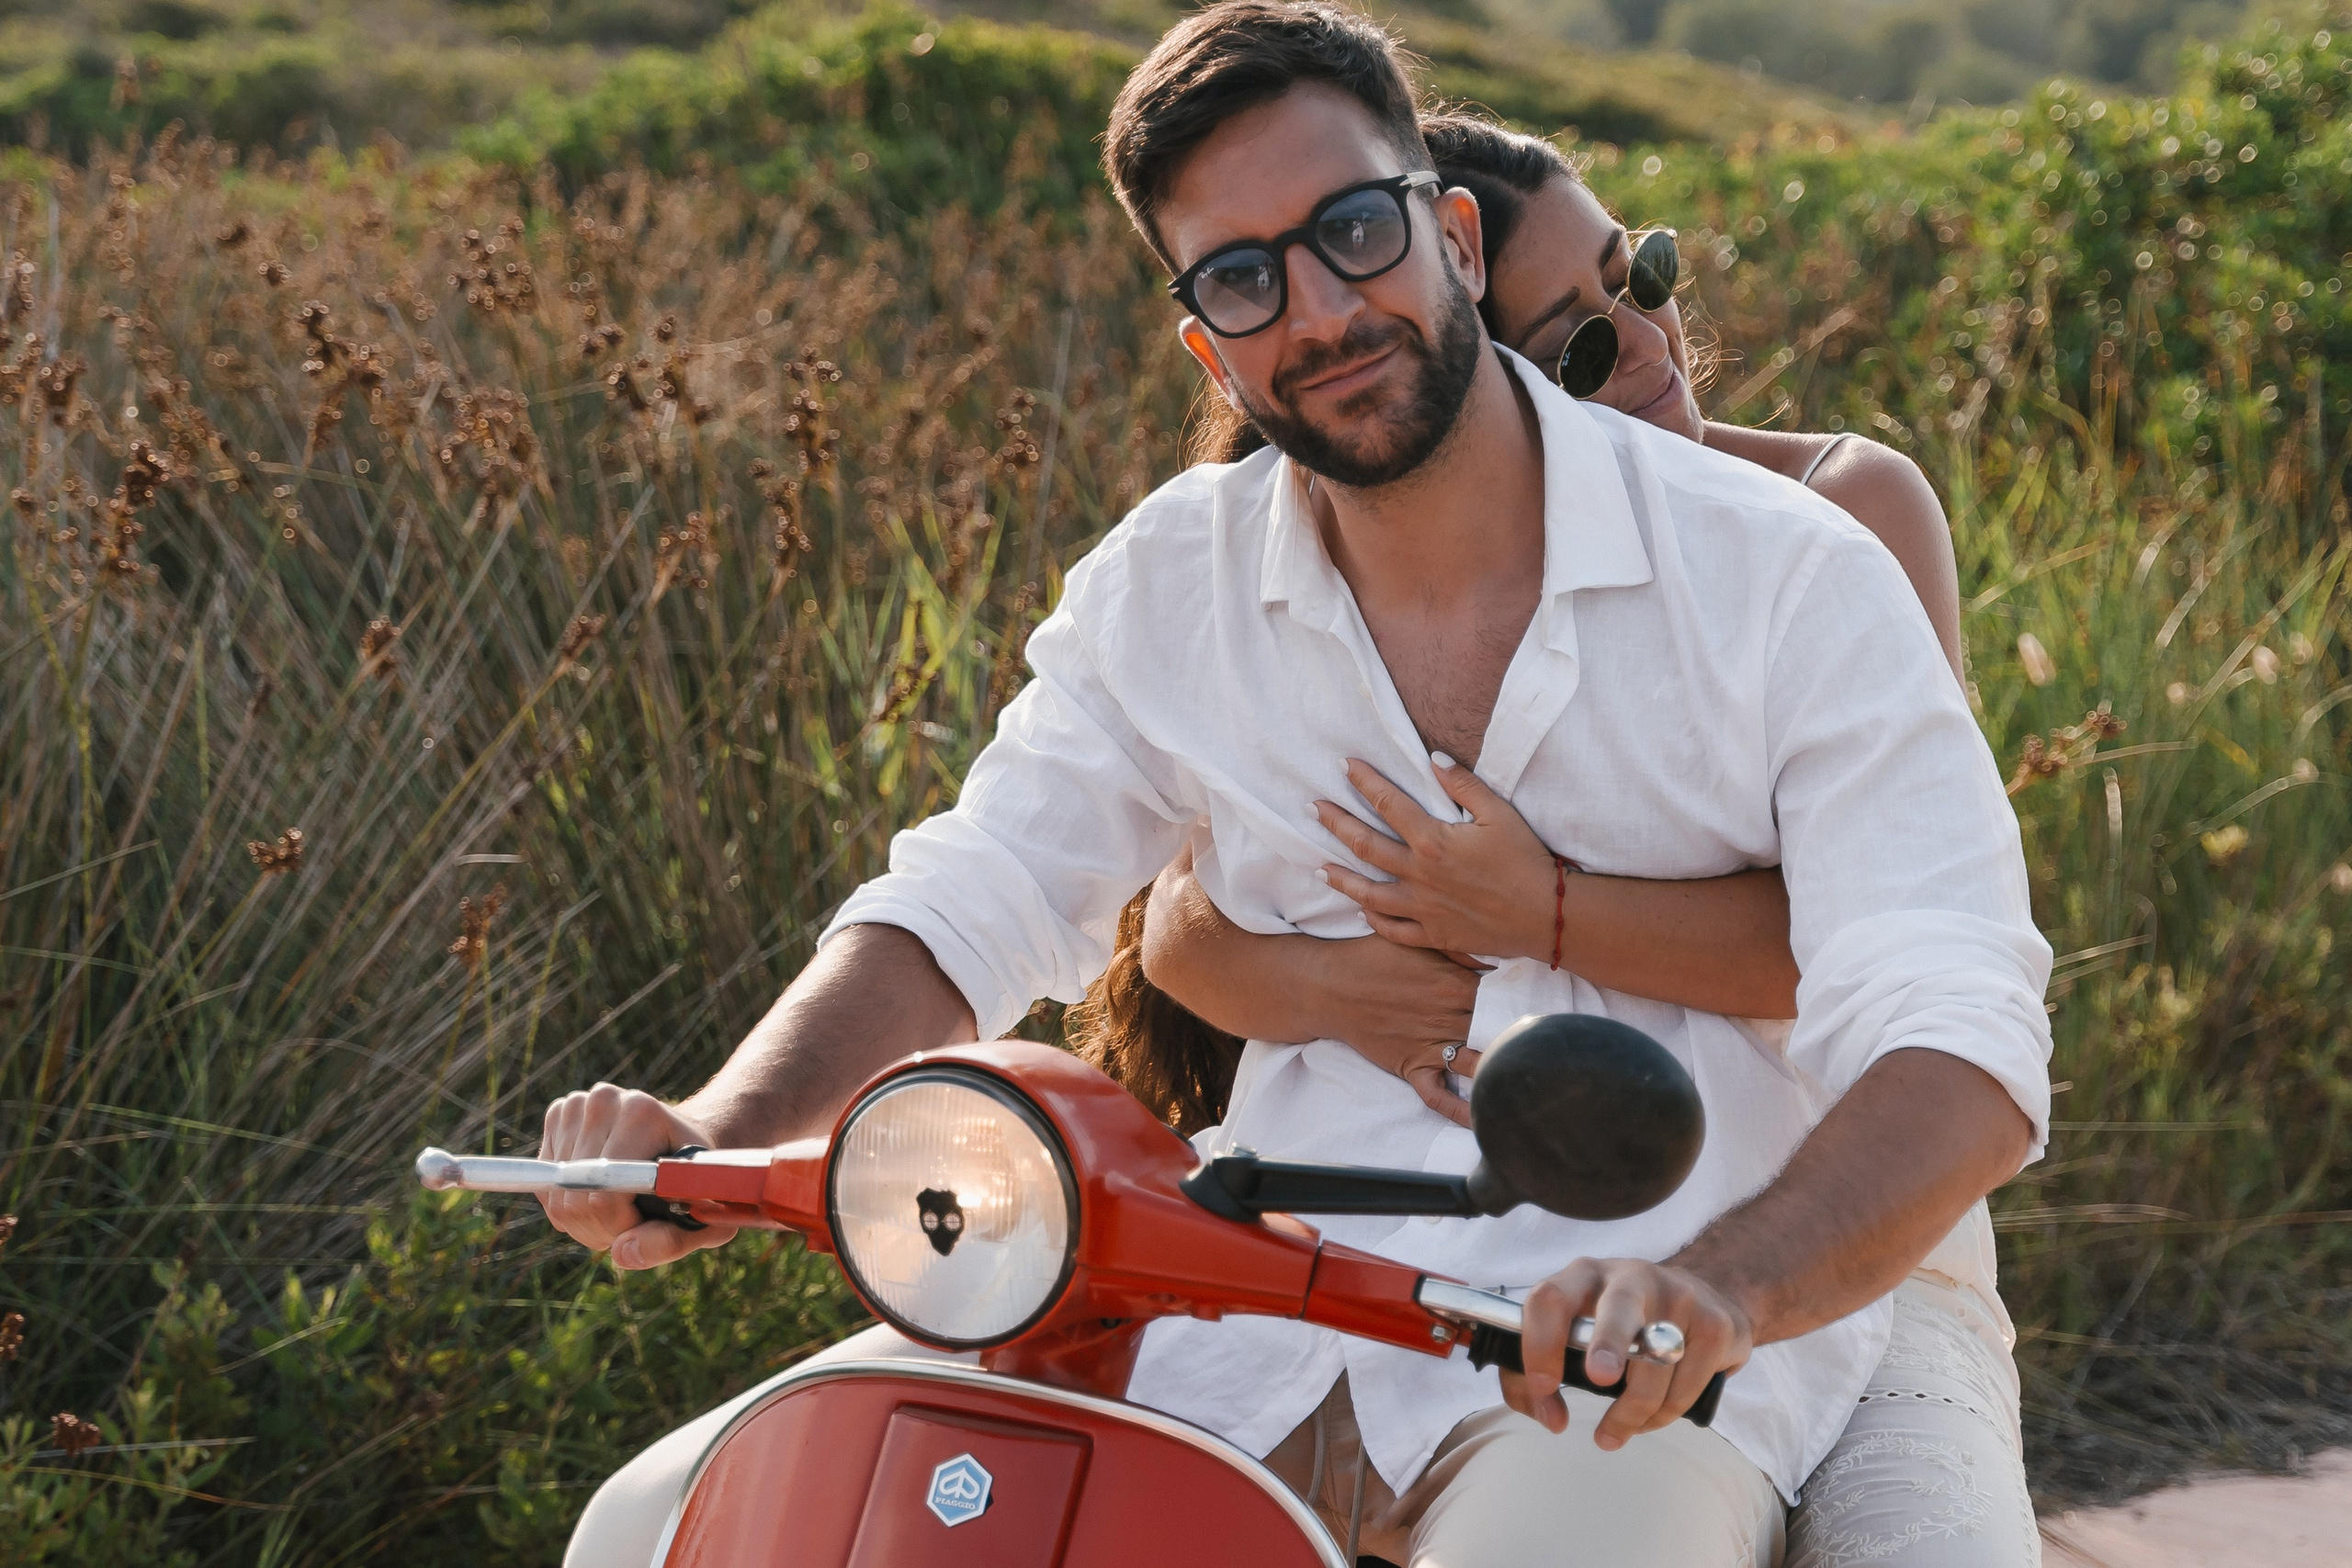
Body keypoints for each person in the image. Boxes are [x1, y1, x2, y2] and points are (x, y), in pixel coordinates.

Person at [538, 5, 2054, 1564]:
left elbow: (1960, 1023)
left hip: (1615, 1346)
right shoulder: (1165, 585)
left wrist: (1725, 1287)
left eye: (1352, 230)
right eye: (1246, 277)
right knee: (662, 1522)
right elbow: (973, 894)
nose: (1321, 309)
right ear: (1207, 338)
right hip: (1224, 1300)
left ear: (1453, 236)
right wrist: (718, 1132)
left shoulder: (1792, 574)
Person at [1073, 111, 2039, 1567]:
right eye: (1576, 343)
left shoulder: (1830, 516)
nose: (1647, 349)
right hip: (1437, 1204)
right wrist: (1357, 993)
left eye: (1639, 278)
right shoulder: (1343, 581)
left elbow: (1876, 939)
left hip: (1833, 1212)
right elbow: (1188, 919)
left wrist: (1544, 915)